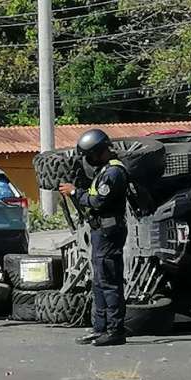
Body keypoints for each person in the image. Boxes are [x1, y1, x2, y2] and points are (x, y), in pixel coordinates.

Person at [59, 129, 128, 347]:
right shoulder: (104, 171)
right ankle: (100, 328)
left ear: (99, 152)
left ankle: (115, 330)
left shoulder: (114, 173)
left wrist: (74, 193)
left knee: (109, 281)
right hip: (100, 233)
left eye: (90, 155)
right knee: (99, 282)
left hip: (109, 233)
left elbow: (99, 201)